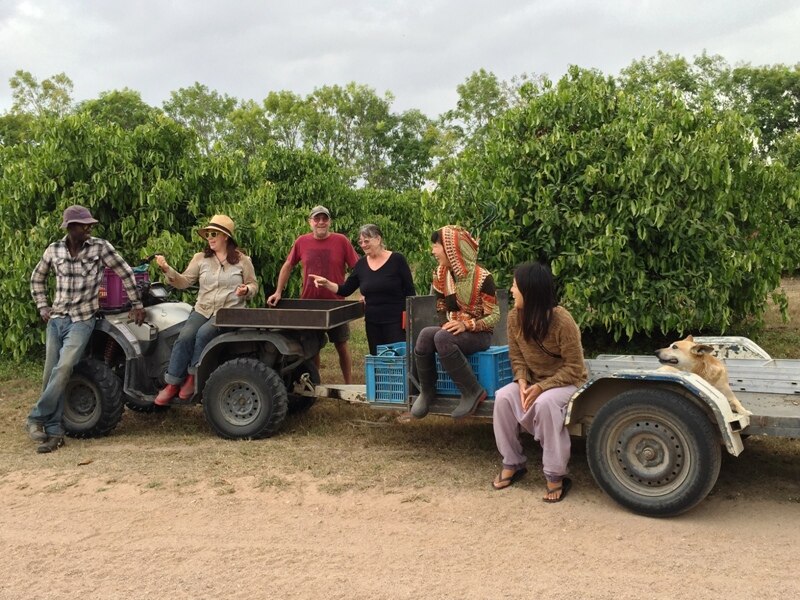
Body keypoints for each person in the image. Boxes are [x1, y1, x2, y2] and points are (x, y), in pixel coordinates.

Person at [28, 205, 145, 453]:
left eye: (90, 224)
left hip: (82, 319)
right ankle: (54, 431)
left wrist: (136, 304)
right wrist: (42, 306)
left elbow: (125, 271)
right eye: (84, 225)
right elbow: (37, 277)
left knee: (65, 367)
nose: (89, 228)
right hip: (57, 318)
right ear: (71, 227)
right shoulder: (54, 249)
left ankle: (36, 416)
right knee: (51, 373)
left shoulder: (100, 247)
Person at [491, 261, 588, 502]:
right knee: (503, 397)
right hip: (534, 382)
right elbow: (517, 357)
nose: (511, 290)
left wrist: (542, 387)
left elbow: (575, 368)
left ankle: (556, 475)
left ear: (530, 291)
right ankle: (513, 462)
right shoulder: (514, 317)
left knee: (545, 404)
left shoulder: (562, 320)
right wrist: (522, 381)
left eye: (515, 286)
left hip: (567, 383)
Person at [153, 214, 258, 405]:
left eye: (213, 234)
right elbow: (184, 282)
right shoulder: (200, 258)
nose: (209, 237)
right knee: (185, 336)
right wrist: (167, 269)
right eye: (208, 234)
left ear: (225, 237)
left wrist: (246, 290)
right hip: (203, 308)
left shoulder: (243, 260)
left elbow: (253, 285)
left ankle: (193, 377)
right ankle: (172, 383)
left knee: (203, 334)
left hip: (228, 312)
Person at [410, 225, 500, 420]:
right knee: (426, 334)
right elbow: (441, 304)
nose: (433, 251)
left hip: (480, 334)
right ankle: (427, 390)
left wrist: (466, 325)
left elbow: (493, 316)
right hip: (454, 331)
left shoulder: (483, 278)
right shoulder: (442, 273)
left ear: (452, 249)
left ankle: (472, 391)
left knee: (442, 338)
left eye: (436, 246)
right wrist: (446, 324)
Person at [266, 205, 359, 383]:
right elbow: (288, 265)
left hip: (335, 302)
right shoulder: (302, 241)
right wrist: (278, 291)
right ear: (310, 222)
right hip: (309, 303)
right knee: (312, 348)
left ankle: (348, 383)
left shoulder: (341, 241)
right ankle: (315, 384)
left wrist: (364, 291)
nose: (321, 222)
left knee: (341, 344)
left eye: (325, 219)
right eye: (317, 219)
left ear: (330, 222)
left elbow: (358, 268)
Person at [310, 224, 415, 355]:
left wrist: (410, 316)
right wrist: (326, 283)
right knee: (377, 358)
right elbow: (346, 289)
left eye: (367, 241)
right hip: (373, 321)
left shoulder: (397, 260)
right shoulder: (361, 264)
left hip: (396, 321)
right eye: (361, 242)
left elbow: (410, 291)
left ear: (378, 239)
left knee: (397, 358)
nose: (363, 245)